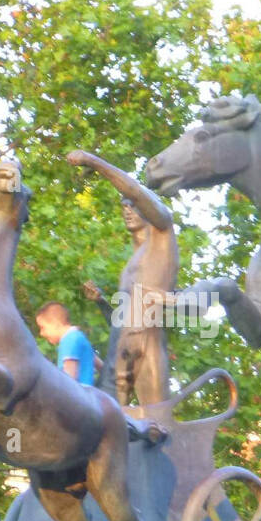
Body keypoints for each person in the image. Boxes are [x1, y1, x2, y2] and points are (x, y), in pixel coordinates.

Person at [68, 149, 178, 406]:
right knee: (108, 426)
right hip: (121, 351)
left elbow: (137, 192)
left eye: (134, 206)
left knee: (157, 423)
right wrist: (102, 302)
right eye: (124, 207)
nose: (128, 210)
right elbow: (122, 320)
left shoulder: (162, 235)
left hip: (147, 349)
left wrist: (93, 161)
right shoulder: (132, 262)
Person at [34, 301, 98, 386]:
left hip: (78, 395)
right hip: (89, 393)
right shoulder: (79, 336)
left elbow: (70, 379)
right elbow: (101, 365)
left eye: (43, 327)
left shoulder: (69, 340)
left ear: (55, 324)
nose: (41, 333)